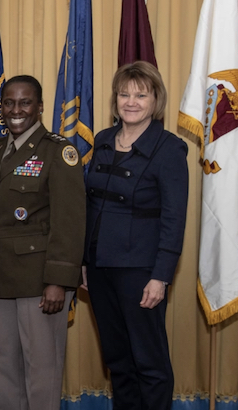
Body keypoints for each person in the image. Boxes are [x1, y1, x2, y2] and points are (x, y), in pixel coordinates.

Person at [83, 61, 188, 410]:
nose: (131, 101)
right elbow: (90, 205)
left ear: (155, 100)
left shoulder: (169, 149)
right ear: (115, 99)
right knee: (118, 360)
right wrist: (85, 262)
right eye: (124, 93)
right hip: (99, 268)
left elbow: (174, 219)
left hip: (141, 271)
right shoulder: (102, 140)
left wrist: (161, 277)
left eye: (141, 94)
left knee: (149, 362)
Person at [0, 75, 85, 410]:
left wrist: (57, 281)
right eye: (8, 103)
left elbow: (69, 222)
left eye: (25, 102)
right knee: (5, 370)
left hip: (39, 280)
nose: (15, 110)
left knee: (41, 372)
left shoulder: (58, 152)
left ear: (40, 107)